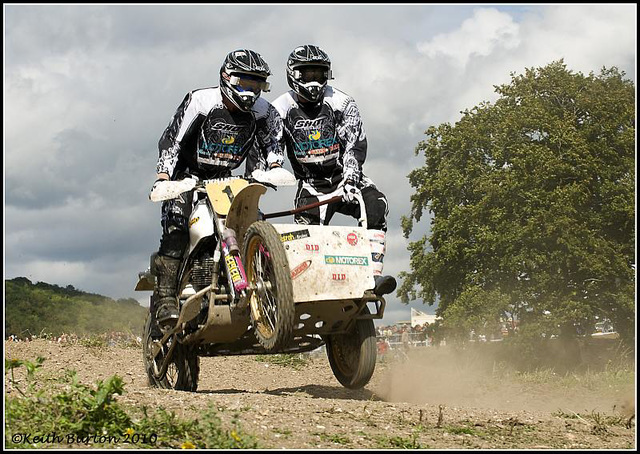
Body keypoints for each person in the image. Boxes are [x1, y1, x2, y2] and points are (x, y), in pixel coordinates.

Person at [151, 49, 284, 329]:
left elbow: (273, 142)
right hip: (186, 176)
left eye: (256, 84)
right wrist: (164, 176)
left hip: (225, 178)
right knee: (177, 226)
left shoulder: (264, 112)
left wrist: (273, 167)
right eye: (244, 83)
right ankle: (165, 299)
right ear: (227, 77)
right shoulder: (201, 101)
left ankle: (271, 289)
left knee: (253, 222)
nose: (250, 91)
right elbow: (172, 139)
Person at [272, 44, 396, 296]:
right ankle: (312, 290)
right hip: (311, 185)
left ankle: (373, 277)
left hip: (345, 176)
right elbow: (271, 146)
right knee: (306, 240)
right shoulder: (279, 109)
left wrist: (351, 179)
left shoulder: (343, 102)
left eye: (320, 75)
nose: (314, 81)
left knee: (376, 204)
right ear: (293, 75)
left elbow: (354, 144)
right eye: (308, 75)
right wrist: (272, 169)